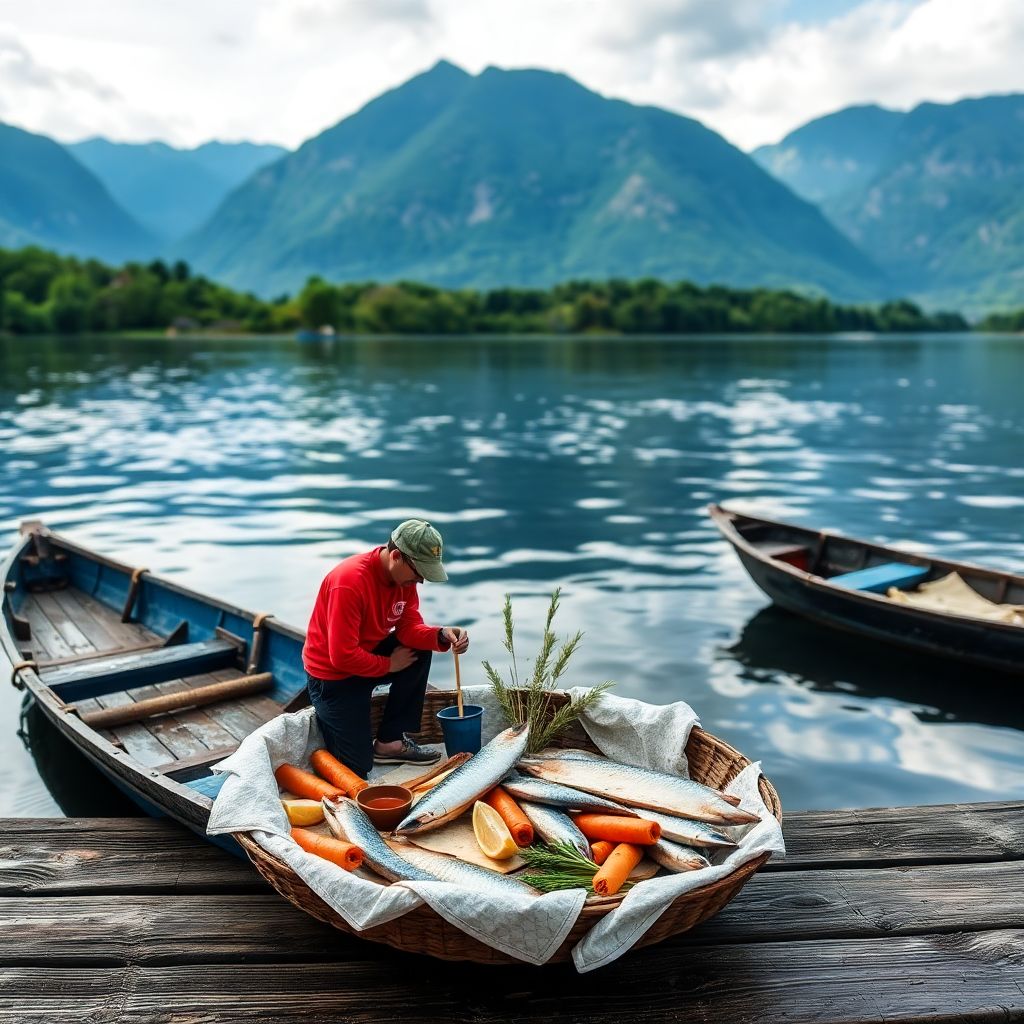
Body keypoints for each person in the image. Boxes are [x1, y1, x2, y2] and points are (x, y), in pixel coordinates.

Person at [302, 519, 470, 778]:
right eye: (418, 572)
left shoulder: (404, 580)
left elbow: (409, 627)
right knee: (356, 768)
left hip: (367, 658)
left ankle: (390, 741)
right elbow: (342, 656)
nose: (420, 580)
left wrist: (441, 634)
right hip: (333, 678)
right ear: (396, 556)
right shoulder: (349, 582)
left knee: (418, 649)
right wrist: (389, 665)